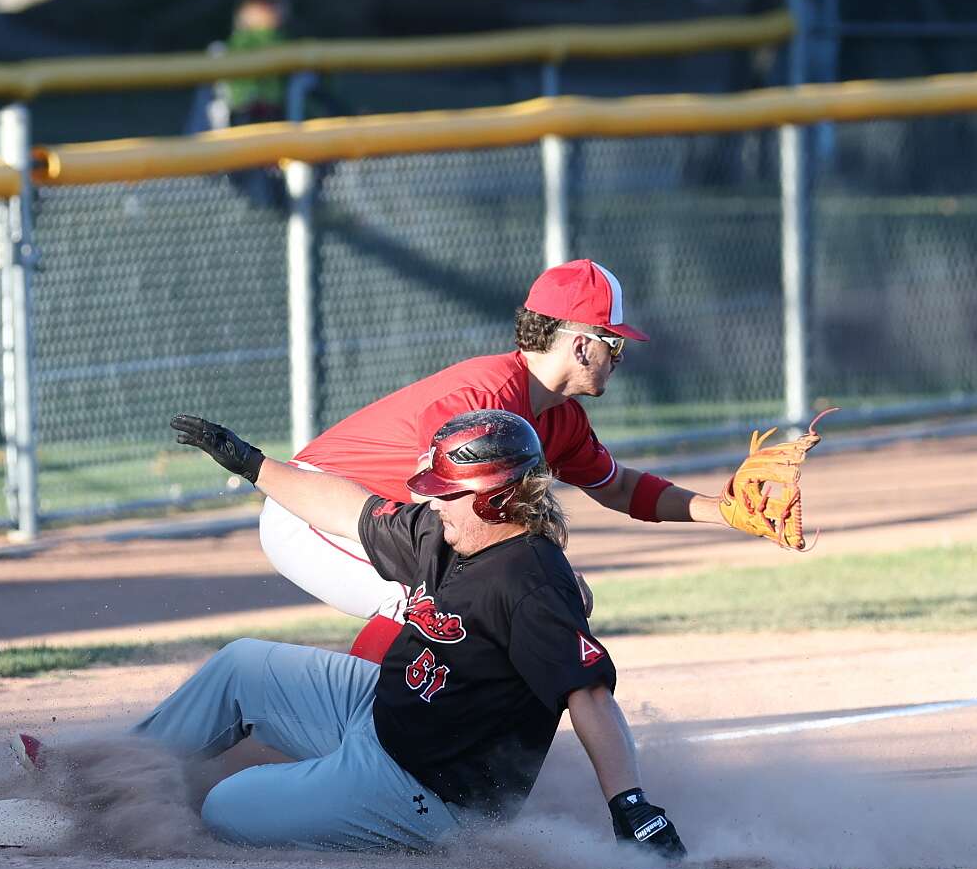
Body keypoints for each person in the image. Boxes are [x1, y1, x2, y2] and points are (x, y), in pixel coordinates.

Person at [18, 409, 687, 859]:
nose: (431, 501)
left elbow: (588, 696)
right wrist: (252, 465)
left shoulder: (531, 582)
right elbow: (349, 509)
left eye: (446, 491)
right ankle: (102, 782)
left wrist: (630, 805)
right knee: (241, 666)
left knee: (224, 806)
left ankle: (285, 799)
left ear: (496, 498)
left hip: (422, 792)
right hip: (375, 710)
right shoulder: (448, 533)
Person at [257, 257, 816, 632]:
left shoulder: (559, 417)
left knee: (489, 602)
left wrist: (722, 510)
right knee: (445, 607)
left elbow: (618, 487)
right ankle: (375, 740)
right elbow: (447, 506)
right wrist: (548, 573)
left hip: (392, 525)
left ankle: (423, 739)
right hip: (314, 511)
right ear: (581, 344)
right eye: (614, 345)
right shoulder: (483, 397)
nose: (619, 358)